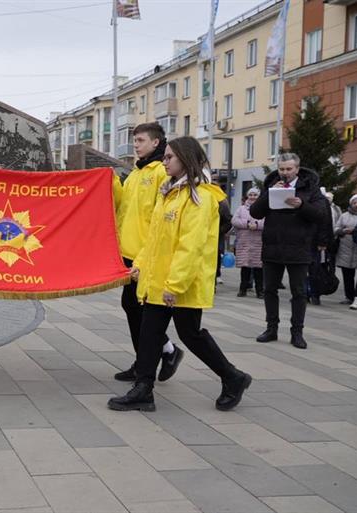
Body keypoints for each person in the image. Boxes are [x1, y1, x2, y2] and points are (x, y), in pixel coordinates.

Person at [108, 136, 252, 412]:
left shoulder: (200, 197)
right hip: (158, 280)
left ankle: (233, 377)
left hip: (181, 283)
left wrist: (174, 285)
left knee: (190, 334)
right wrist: (140, 263)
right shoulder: (170, 192)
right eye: (165, 156)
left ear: (185, 159)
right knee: (149, 334)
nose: (164, 161)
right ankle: (143, 389)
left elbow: (191, 246)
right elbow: (154, 237)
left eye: (169, 157)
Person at [113, 122, 183, 383]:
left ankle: (160, 356)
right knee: (133, 307)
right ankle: (150, 359)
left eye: (140, 140)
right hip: (128, 251)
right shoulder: (136, 172)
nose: (136, 145)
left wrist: (146, 255)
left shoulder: (160, 172)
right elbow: (122, 206)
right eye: (134, 140)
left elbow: (159, 218)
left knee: (140, 309)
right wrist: (110, 182)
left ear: (155, 142)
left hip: (146, 254)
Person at [250, 153, 326, 349]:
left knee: (299, 292)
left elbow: (321, 215)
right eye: (281, 169)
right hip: (273, 246)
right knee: (269, 290)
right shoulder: (271, 185)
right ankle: (271, 328)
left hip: (299, 247)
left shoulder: (310, 188)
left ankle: (297, 332)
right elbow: (255, 213)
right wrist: (269, 194)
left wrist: (302, 205)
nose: (285, 173)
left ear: (297, 169)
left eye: (289, 169)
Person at [232, 188, 264, 298]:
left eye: (255, 195)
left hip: (259, 242)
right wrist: (247, 224)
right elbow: (234, 221)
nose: (252, 197)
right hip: (244, 242)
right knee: (245, 267)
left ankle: (260, 291)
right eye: (250, 194)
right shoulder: (241, 209)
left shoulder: (263, 208)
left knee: (259, 268)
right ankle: (243, 289)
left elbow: (267, 222)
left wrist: (257, 225)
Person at [335, 194, 357, 309]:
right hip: (345, 248)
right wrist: (342, 231)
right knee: (347, 274)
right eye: (354, 203)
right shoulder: (344, 215)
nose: (356, 205)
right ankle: (349, 296)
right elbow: (336, 228)